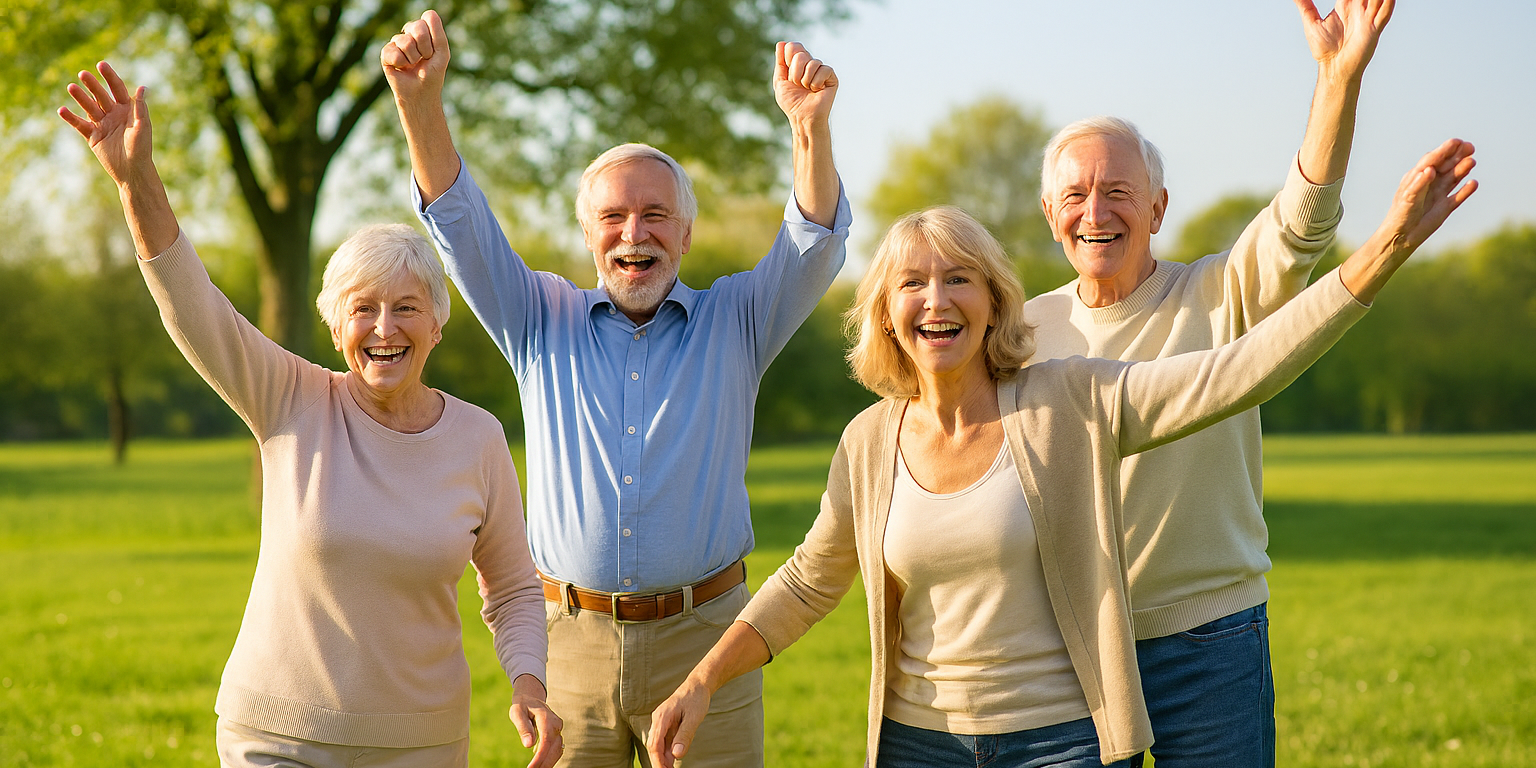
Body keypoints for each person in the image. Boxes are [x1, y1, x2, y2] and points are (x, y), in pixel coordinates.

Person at [647, 140, 1477, 767]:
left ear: (997, 300)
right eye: (911, 284)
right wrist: (700, 681)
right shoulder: (870, 441)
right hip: (916, 742)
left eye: (959, 279)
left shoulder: (1070, 399)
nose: (935, 300)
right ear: (885, 313)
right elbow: (807, 579)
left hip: (1061, 744)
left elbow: (1238, 371)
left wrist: (1384, 250)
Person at [380, 10, 848, 765]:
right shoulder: (538, 317)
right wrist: (419, 103)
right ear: (590, 235)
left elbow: (814, 243)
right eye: (614, 216)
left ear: (686, 236)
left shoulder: (736, 320)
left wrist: (808, 130)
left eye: (657, 214)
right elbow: (460, 226)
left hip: (707, 642)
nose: (636, 231)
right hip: (570, 645)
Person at [59, 62, 560, 768]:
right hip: (275, 737)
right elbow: (191, 304)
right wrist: (136, 181)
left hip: (420, 745)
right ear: (336, 328)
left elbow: (511, 585)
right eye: (364, 308)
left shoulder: (477, 437)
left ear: (438, 325)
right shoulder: (290, 398)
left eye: (407, 307)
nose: (385, 328)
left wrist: (529, 686)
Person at [1026, 2, 1409, 764]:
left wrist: (1337, 81)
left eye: (1118, 192)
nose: (1094, 212)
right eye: (1074, 196)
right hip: (1068, 647)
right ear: (1050, 215)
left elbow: (1302, 222)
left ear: (1159, 208)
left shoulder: (1221, 293)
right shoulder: (1020, 333)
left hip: (1211, 643)